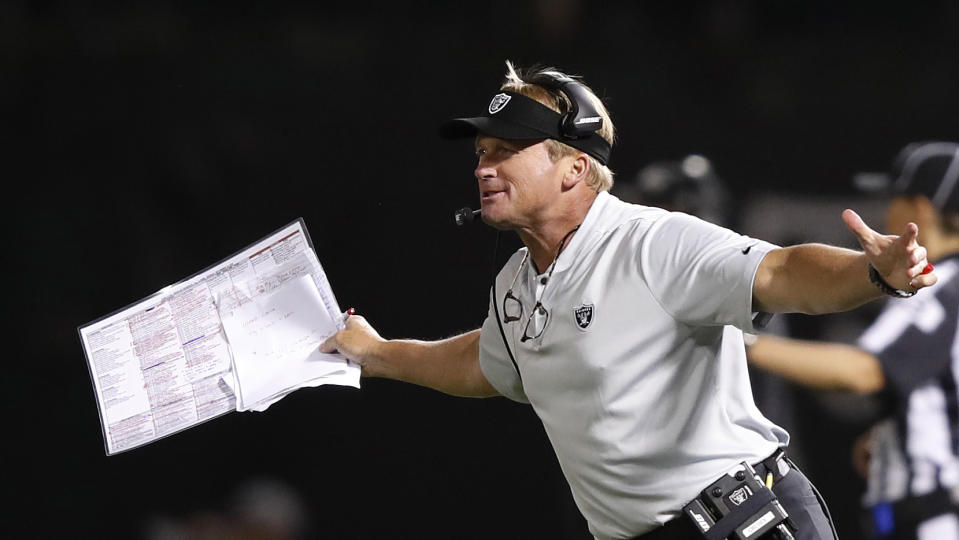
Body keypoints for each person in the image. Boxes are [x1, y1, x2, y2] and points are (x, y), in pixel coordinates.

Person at [319, 62, 937, 540]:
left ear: (574, 168)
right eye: (482, 152)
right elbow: (486, 365)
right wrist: (377, 354)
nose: (485, 165)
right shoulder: (514, 282)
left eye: (508, 148)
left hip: (740, 521)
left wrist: (872, 274)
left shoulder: (650, 242)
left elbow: (779, 271)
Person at [747, 141, 959, 540]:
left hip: (937, 520)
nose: (887, 210)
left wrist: (743, 343)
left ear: (921, 209)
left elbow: (864, 372)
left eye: (896, 197)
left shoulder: (943, 285)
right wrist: (901, 433)